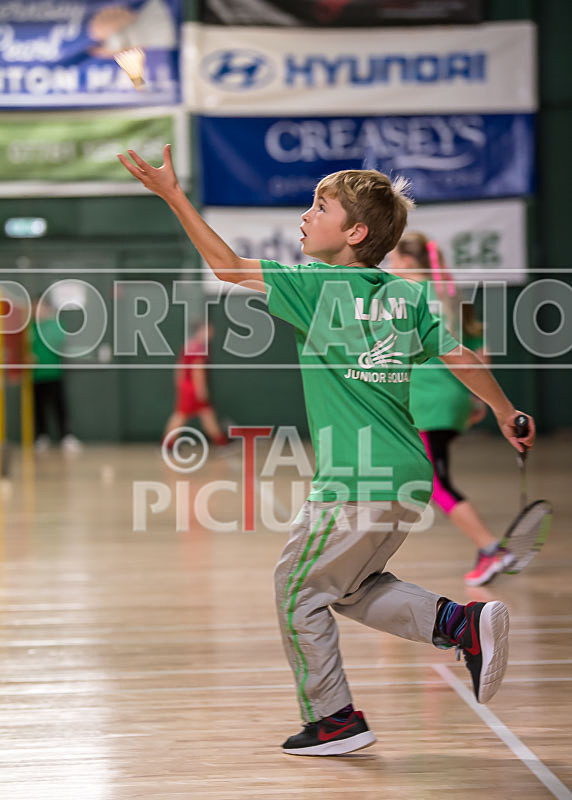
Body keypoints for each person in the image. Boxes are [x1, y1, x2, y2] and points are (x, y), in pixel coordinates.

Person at [117, 146, 535, 757]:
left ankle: (335, 720)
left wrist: (173, 196)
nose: (305, 215)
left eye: (320, 206)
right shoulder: (409, 298)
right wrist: (504, 411)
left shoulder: (314, 285)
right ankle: (459, 624)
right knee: (350, 587)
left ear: (355, 232)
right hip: (407, 477)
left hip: (355, 481)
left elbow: (228, 267)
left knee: (296, 590)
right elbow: (462, 359)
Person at [389, 232, 514, 586]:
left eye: (393, 259)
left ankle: (491, 547)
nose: (389, 265)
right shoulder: (449, 295)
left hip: (425, 401)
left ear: (408, 263)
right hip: (454, 399)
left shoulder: (405, 294)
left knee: (435, 484)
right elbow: (479, 348)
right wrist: (478, 400)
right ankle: (374, 558)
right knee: (403, 479)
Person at [162, 322, 229, 448]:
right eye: (208, 330)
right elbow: (197, 370)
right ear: (200, 331)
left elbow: (179, 368)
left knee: (207, 414)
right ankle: (167, 445)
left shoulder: (189, 346)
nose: (211, 332)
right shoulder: (199, 348)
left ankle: (222, 443)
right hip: (193, 389)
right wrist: (201, 389)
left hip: (186, 387)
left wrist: (180, 385)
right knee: (181, 416)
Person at [30, 297, 82, 454]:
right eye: (34, 307)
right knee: (38, 408)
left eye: (39, 307)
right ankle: (41, 437)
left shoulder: (55, 325)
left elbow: (58, 342)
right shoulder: (30, 328)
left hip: (53, 373)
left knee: (59, 406)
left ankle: (66, 437)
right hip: (36, 375)